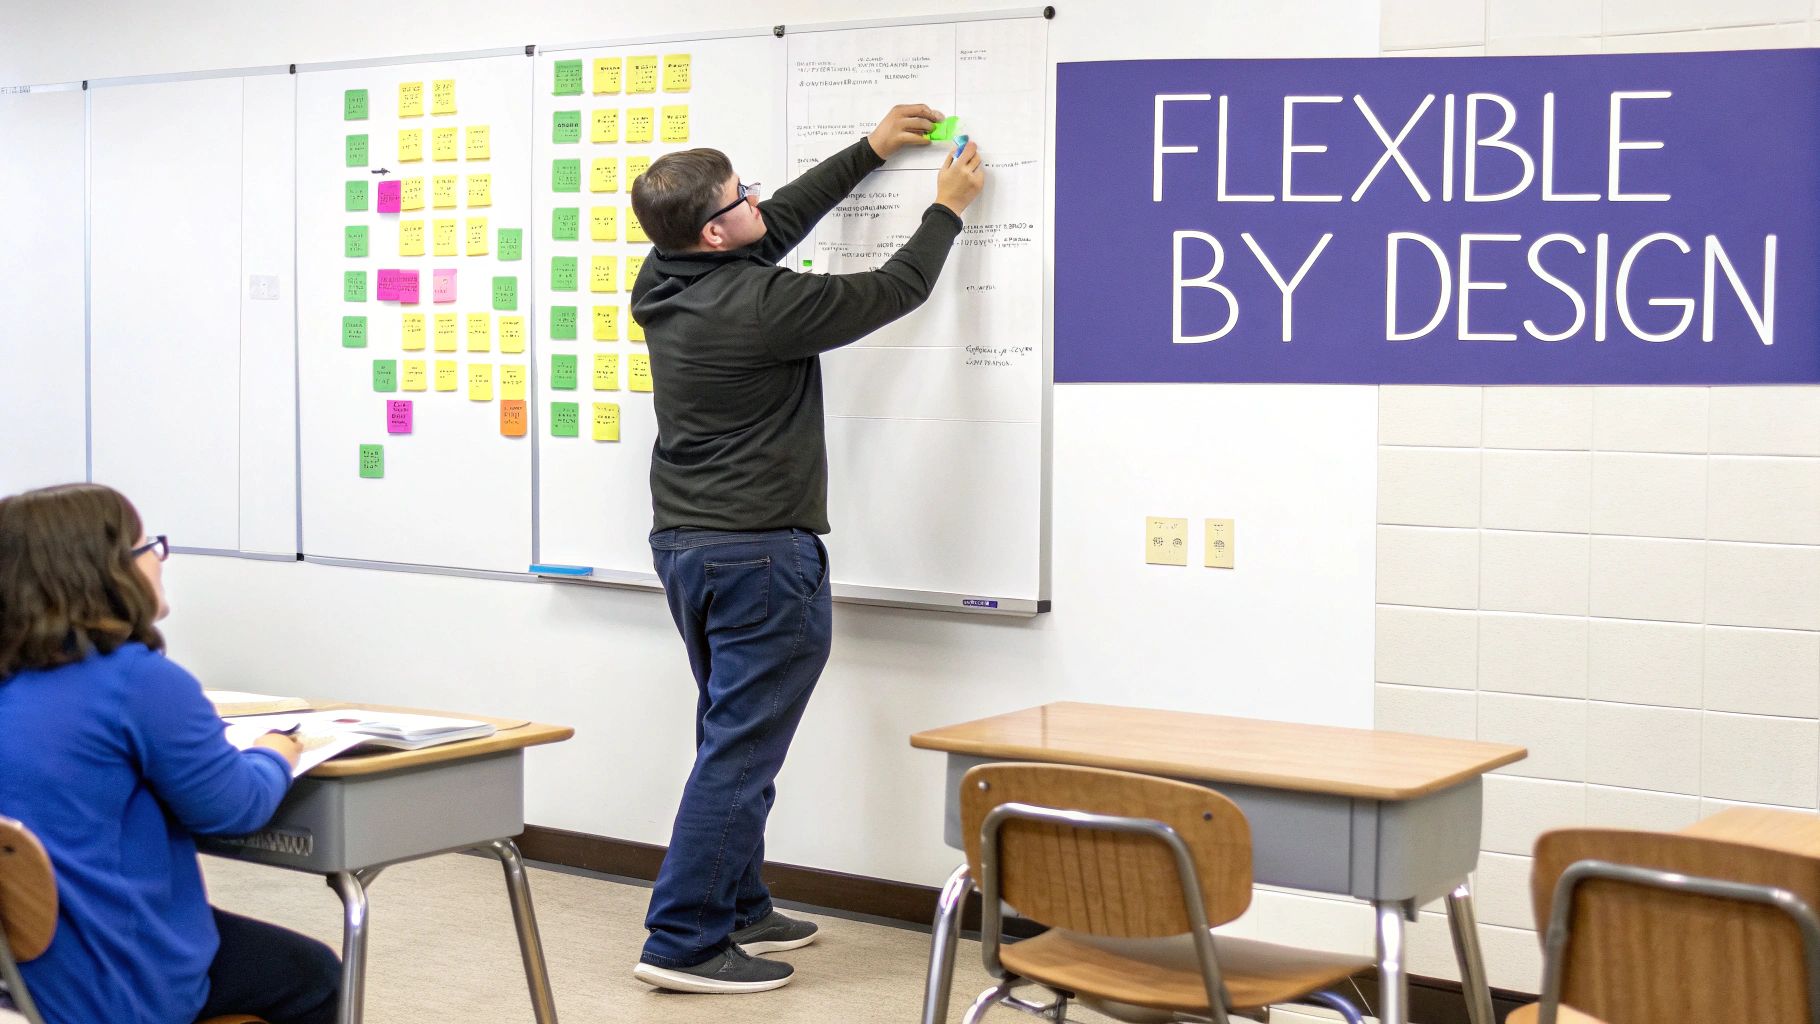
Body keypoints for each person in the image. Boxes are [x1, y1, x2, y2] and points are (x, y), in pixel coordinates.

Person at [625, 104, 986, 993]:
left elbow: (777, 221)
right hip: (756, 558)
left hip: (692, 548)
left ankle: (737, 901)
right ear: (715, 229)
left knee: (730, 733)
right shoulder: (759, 305)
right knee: (741, 751)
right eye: (741, 194)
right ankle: (683, 942)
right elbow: (896, 288)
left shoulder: (668, 274)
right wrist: (946, 208)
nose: (759, 197)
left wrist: (869, 149)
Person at [0, 483, 339, 1024]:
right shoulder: (138, 682)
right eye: (148, 547)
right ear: (109, 572)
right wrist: (277, 752)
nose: (160, 561)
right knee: (317, 975)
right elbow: (233, 808)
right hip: (117, 979)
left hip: (23, 971)